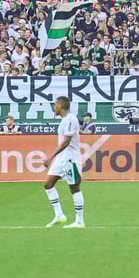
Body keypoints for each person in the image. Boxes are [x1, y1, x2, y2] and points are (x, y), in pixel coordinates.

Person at [42, 96, 85, 228]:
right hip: (62, 159)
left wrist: (51, 156)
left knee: (74, 188)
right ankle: (59, 215)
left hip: (70, 158)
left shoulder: (71, 119)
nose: (54, 107)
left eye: (55, 105)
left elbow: (66, 141)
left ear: (60, 105)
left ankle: (79, 221)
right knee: (48, 185)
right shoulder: (64, 121)